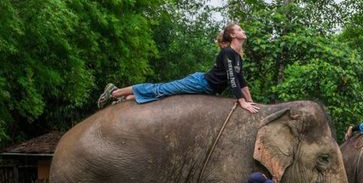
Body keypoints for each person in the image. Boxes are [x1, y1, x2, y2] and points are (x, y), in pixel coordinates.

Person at [97, 23, 260, 113]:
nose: (243, 31)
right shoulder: (227, 53)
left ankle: (125, 100)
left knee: (166, 97)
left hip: (207, 91)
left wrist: (251, 101)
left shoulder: (237, 57)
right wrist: (242, 102)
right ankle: (114, 92)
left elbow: (242, 81)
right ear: (232, 35)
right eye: (239, 29)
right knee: (160, 89)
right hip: (200, 83)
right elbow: (232, 79)